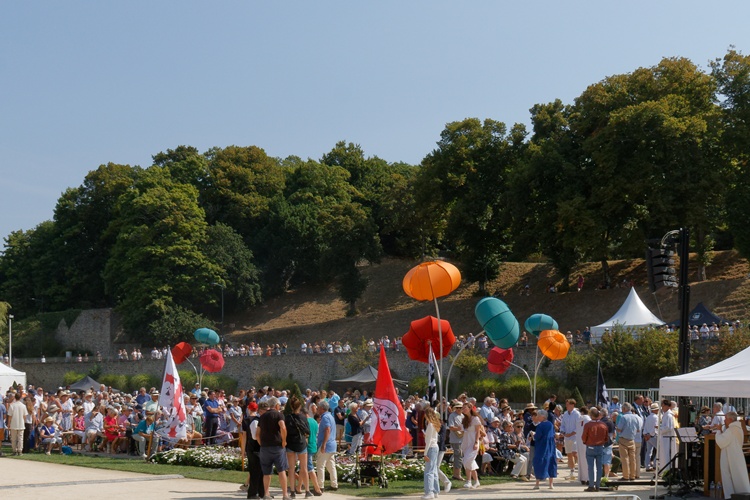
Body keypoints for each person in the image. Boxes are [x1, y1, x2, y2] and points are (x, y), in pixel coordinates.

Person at [258, 396, 290, 500]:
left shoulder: (262, 416)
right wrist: (284, 440)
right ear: (276, 405)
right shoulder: (279, 415)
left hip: (265, 447)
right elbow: (283, 427)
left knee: (266, 472)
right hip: (277, 446)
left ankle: (266, 494)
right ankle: (285, 495)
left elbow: (257, 433)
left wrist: (261, 443)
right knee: (281, 470)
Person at [715, 411, 750, 499]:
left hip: (731, 455)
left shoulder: (731, 430)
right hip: (735, 454)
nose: (724, 421)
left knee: (728, 475)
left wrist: (718, 431)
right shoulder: (738, 428)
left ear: (730, 419)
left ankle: (730, 496)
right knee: (737, 475)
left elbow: (721, 441)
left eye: (726, 419)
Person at [284, 396, 310, 498]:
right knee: (304, 468)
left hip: (290, 443)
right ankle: (307, 490)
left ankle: (292, 491)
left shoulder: (287, 418)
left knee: (291, 469)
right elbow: (307, 431)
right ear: (300, 406)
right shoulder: (303, 417)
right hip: (301, 442)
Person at [582, 407, 608, 492]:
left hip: (590, 446)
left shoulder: (588, 425)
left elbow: (584, 436)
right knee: (599, 467)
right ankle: (598, 485)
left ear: (591, 415)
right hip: (600, 446)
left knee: (590, 467)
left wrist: (585, 442)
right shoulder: (603, 425)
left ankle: (591, 485)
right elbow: (606, 437)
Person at [615, 402, 642, 481]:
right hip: (632, 439)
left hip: (623, 439)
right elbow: (638, 430)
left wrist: (617, 428)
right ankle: (633, 476)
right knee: (632, 458)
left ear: (624, 409)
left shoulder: (623, 417)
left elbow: (619, 429)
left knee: (624, 458)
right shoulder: (636, 417)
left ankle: (626, 476)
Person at [315, 400, 338, 492]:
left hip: (326, 444)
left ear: (322, 408)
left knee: (320, 465)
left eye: (318, 408)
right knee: (331, 465)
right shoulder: (330, 416)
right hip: (332, 444)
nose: (317, 409)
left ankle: (320, 486)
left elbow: (327, 430)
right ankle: (334, 484)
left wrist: (323, 444)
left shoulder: (325, 417)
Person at [532, 409, 557, 490]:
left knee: (539, 462)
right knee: (551, 462)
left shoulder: (540, 426)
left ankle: (537, 484)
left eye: (538, 416)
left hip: (542, 446)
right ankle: (551, 484)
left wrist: (533, 435)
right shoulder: (550, 424)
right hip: (551, 446)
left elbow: (538, 436)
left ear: (542, 417)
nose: (537, 417)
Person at [460, 402, 482, 489]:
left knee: (467, 461)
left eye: (465, 408)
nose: (463, 409)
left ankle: (468, 481)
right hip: (466, 442)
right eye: (463, 408)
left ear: (470, 408)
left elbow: (478, 431)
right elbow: (462, 431)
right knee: (470, 462)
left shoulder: (475, 418)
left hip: (473, 442)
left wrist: (476, 442)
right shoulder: (464, 419)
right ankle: (476, 481)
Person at [421, 407, 441, 500]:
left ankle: (429, 492)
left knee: (428, 471)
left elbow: (428, 441)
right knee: (433, 470)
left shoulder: (430, 425)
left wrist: (425, 453)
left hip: (431, 448)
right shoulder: (435, 424)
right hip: (435, 447)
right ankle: (436, 491)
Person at [560, 398, 580, 480]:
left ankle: (581, 469)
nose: (566, 406)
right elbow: (562, 425)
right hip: (567, 437)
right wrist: (563, 432)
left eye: (568, 404)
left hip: (575, 437)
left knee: (575, 453)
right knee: (569, 454)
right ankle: (572, 472)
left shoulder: (577, 414)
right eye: (566, 404)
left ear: (572, 405)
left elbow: (578, 426)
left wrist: (571, 433)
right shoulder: (565, 414)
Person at [657, 399, 677, 475]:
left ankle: (667, 471)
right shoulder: (665, 414)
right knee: (663, 455)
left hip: (667, 438)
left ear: (667, 406)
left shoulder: (668, 415)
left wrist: (659, 428)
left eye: (663, 406)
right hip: (664, 438)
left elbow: (669, 427)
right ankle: (664, 470)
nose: (662, 407)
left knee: (666, 455)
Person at [447, 401, 465, 481]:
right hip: (455, 439)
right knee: (458, 456)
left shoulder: (463, 416)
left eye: (460, 408)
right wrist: (460, 428)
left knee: (459, 456)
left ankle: (456, 474)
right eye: (457, 407)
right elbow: (451, 427)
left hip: (462, 439)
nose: (458, 409)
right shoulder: (452, 415)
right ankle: (457, 475)